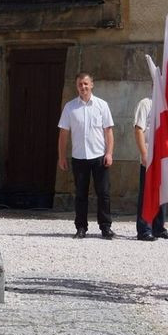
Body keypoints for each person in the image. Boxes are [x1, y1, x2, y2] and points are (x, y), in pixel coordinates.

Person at [57, 72, 115, 239]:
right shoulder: (70, 107)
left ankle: (105, 227)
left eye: (85, 84)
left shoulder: (102, 105)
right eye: (80, 84)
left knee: (103, 194)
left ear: (92, 85)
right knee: (81, 194)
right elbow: (63, 134)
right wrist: (61, 157)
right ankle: (81, 227)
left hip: (99, 156)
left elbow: (109, 132)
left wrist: (109, 153)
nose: (83, 87)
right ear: (77, 87)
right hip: (79, 157)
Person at [133, 96, 168, 241]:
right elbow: (138, 129)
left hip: (164, 155)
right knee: (147, 193)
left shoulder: (167, 104)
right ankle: (144, 229)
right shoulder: (145, 103)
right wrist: (144, 153)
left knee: (162, 191)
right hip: (150, 156)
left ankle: (159, 227)